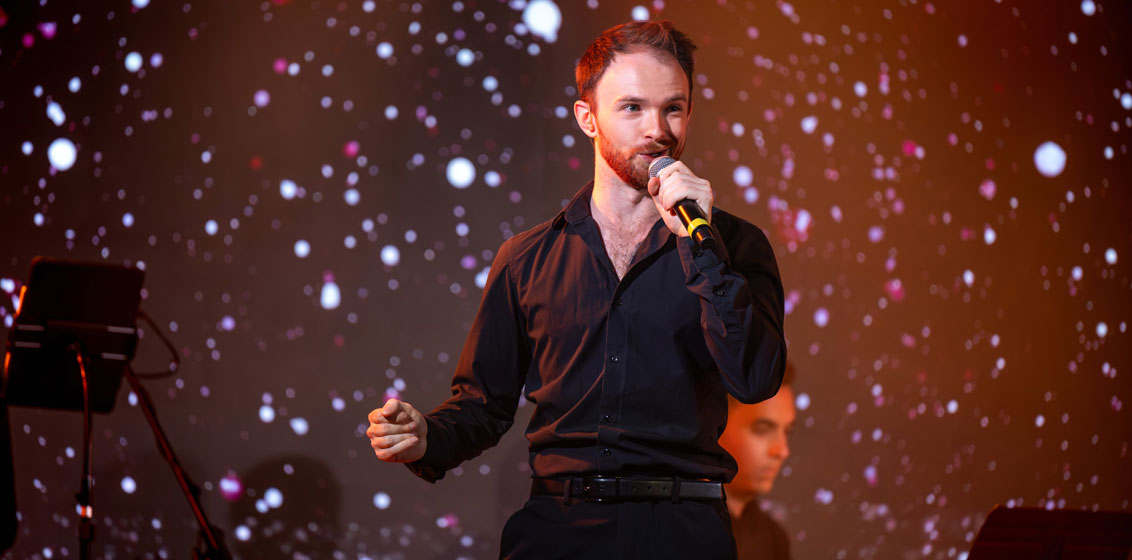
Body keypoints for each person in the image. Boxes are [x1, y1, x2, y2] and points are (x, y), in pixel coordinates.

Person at [366, 20, 786, 559]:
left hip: (682, 531)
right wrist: (427, 436)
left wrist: (699, 245)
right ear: (588, 118)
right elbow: (482, 405)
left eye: (673, 108)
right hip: (558, 531)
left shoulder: (733, 246)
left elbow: (754, 378)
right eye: (632, 107)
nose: (657, 129)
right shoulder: (526, 258)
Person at [718, 362, 798, 559]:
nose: (782, 451)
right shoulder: (668, 529)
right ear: (715, 425)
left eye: (787, 431)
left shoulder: (774, 540)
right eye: (762, 429)